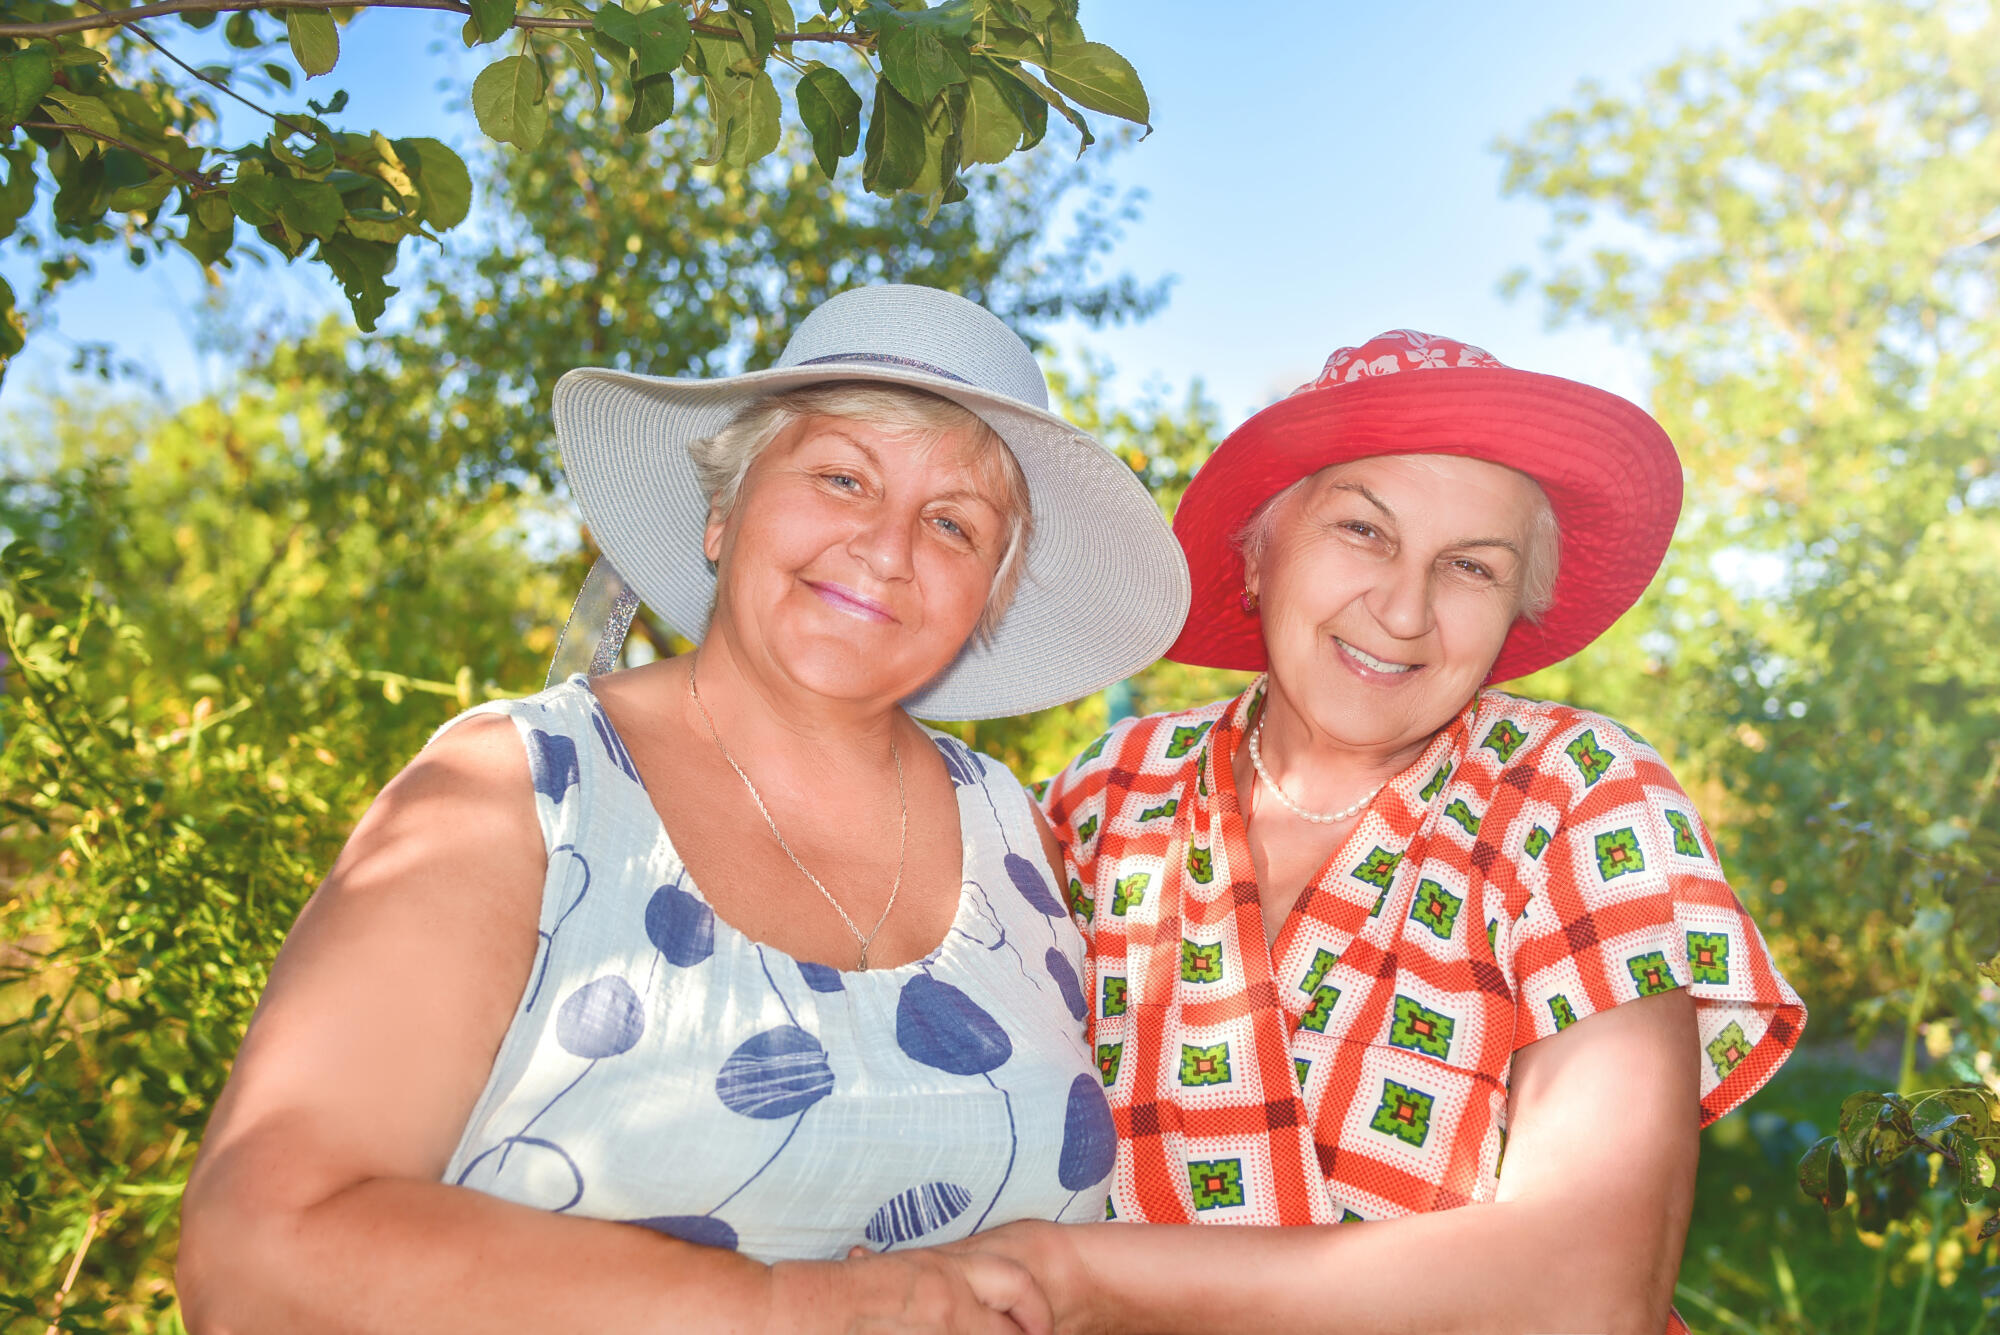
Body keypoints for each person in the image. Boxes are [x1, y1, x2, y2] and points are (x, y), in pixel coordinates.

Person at [176, 285, 1191, 1335]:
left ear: (987, 593)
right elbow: (259, 1252)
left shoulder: (1019, 832)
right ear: (724, 512)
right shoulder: (516, 788)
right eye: (841, 477)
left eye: (952, 524)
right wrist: (794, 1308)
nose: (888, 548)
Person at [960, 330, 1806, 1335]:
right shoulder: (1103, 797)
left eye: (1470, 566)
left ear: (1512, 612)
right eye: (1362, 531)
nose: (1404, 611)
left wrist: (1079, 1276)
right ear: (1258, 553)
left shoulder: (1578, 798)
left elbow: (1587, 1289)